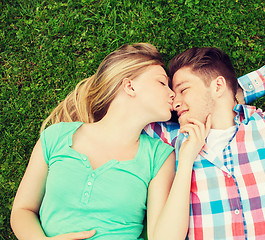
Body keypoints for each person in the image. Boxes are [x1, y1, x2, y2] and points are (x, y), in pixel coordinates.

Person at [10, 43, 211, 240]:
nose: (173, 94)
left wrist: (185, 162)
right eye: (161, 83)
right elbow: (23, 209)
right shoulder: (56, 137)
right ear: (129, 86)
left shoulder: (159, 156)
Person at [143, 47, 265, 239]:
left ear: (218, 86)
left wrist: (235, 93)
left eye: (183, 90)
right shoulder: (175, 139)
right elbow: (133, 115)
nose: (175, 103)